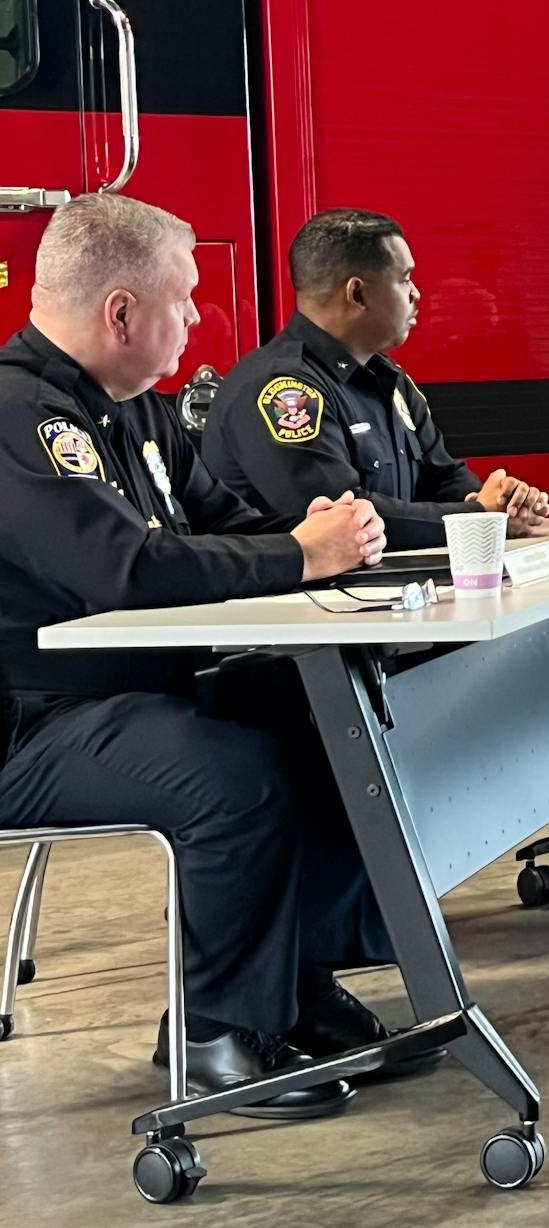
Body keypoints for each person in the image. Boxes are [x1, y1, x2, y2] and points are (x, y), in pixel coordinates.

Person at [0, 194, 420, 1121]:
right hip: (33, 725)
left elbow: (229, 524)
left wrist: (320, 530)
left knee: (327, 716)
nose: (198, 317)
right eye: (184, 299)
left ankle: (296, 988)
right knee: (234, 776)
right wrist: (300, 556)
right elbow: (124, 569)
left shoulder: (138, 414)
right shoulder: (20, 417)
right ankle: (212, 1030)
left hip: (140, 695)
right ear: (121, 313)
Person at [203, 210, 549, 548]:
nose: (416, 294)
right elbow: (346, 519)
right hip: (308, 589)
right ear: (357, 294)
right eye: (404, 279)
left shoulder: (387, 377)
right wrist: (478, 518)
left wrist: (500, 503)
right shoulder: (281, 390)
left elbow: (441, 476)